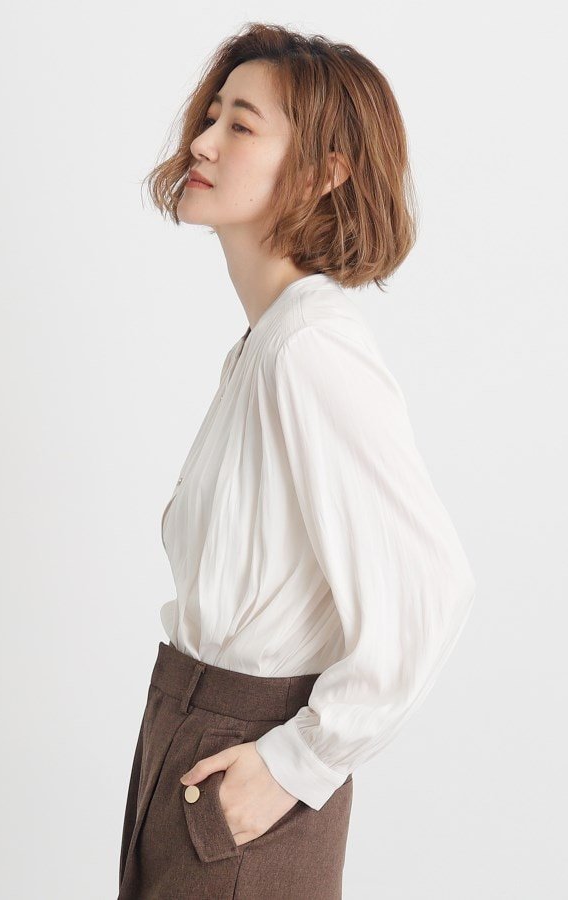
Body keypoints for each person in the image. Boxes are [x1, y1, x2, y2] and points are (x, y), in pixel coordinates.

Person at [118, 22, 476, 900]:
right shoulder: (265, 346)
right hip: (187, 729)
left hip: (243, 749)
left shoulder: (309, 347)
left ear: (324, 172)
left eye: (241, 125)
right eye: (211, 115)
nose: (202, 141)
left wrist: (298, 762)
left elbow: (431, 584)